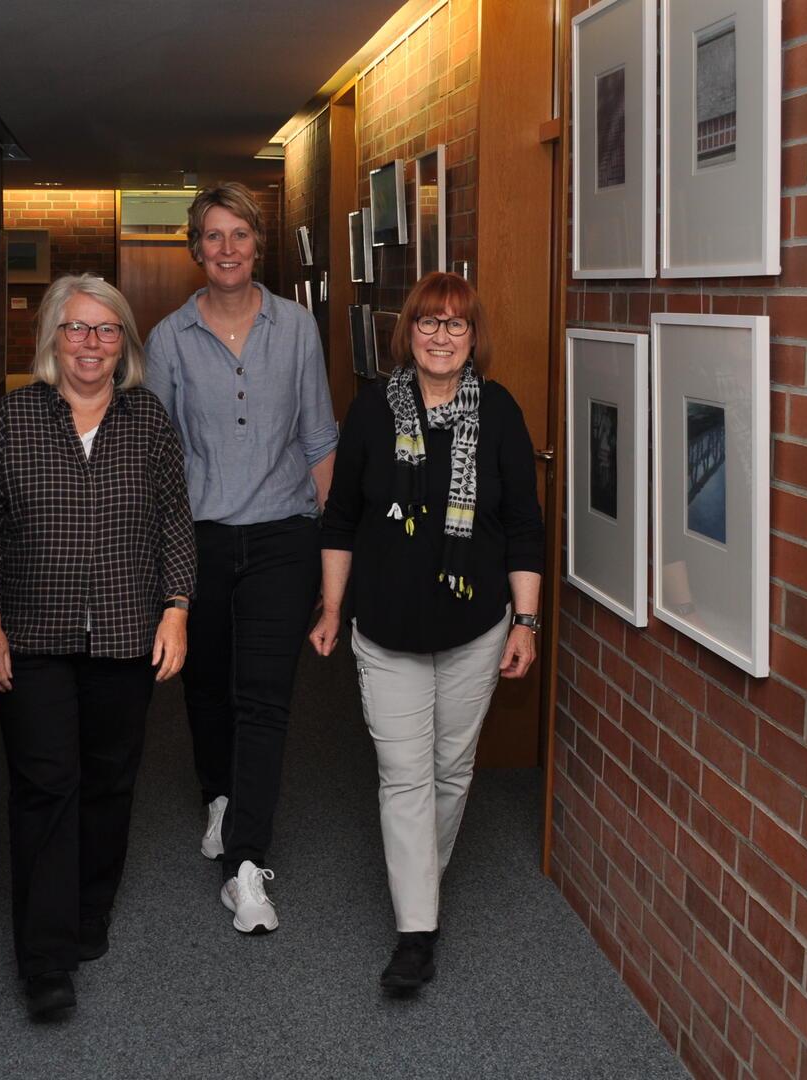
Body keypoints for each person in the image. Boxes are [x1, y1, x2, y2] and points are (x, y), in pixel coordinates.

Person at [309, 271, 543, 996]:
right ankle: (416, 934)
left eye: (456, 325)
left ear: (474, 340)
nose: (441, 336)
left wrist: (527, 621)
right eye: (428, 323)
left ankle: (421, 889)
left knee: (450, 771)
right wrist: (329, 607)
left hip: (476, 629)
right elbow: (342, 518)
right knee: (404, 776)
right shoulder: (374, 411)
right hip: (384, 631)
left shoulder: (499, 413)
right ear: (406, 332)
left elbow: (524, 528)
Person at [0, 275, 195, 1018]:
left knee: (108, 781)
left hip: (127, 635)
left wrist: (176, 610)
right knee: (43, 786)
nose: (91, 344)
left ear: (123, 343)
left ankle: (88, 912)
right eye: (76, 328)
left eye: (105, 330)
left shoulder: (149, 422)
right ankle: (45, 958)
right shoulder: (16, 419)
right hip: (32, 638)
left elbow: (174, 522)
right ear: (52, 340)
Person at [145, 182, 337, 933]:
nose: (227, 249)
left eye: (240, 236)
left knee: (265, 696)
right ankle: (218, 795)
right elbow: (158, 458)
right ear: (196, 249)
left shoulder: (297, 328)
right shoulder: (167, 340)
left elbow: (319, 440)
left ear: (260, 245)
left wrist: (328, 562)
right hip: (200, 537)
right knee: (208, 689)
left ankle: (245, 865)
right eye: (213, 237)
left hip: (284, 536)